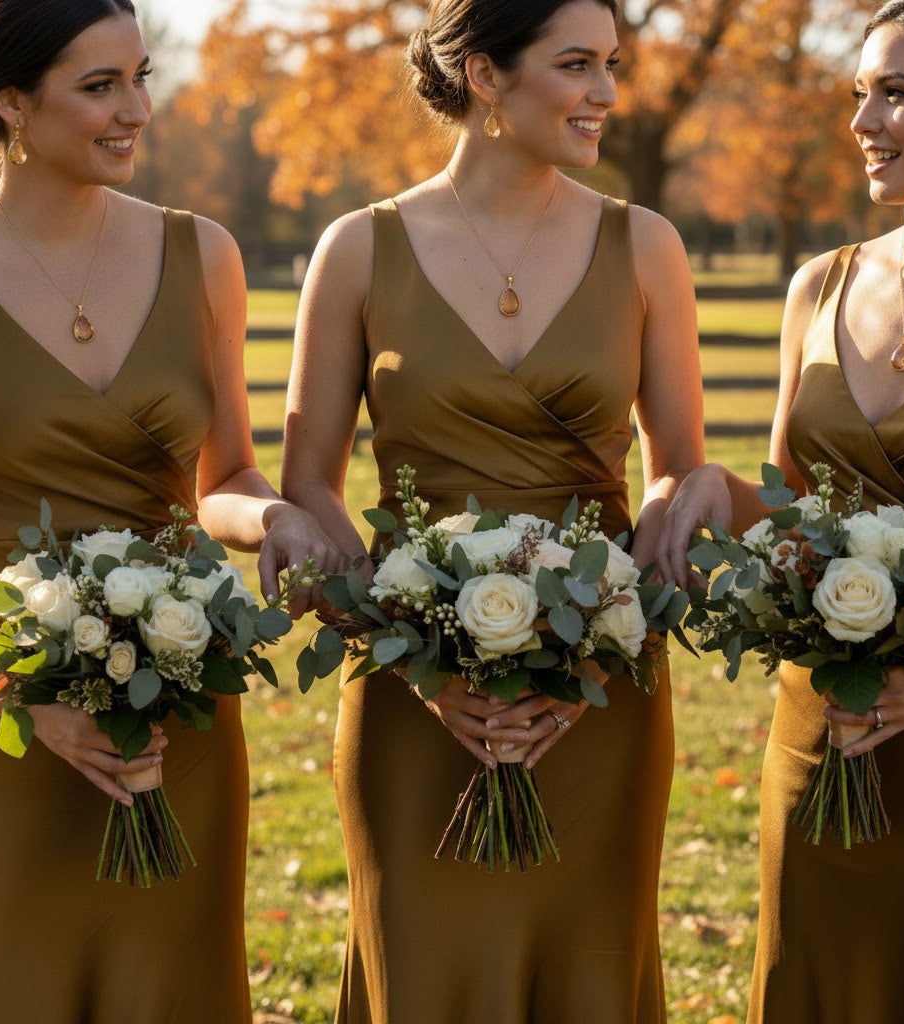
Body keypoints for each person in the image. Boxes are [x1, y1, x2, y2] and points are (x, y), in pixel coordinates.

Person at [273, 0, 705, 1018]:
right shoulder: (356, 249)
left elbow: (678, 466)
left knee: (589, 970)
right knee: (422, 970)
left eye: (611, 62)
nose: (607, 92)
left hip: (597, 695)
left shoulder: (645, 245)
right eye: (576, 64)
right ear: (484, 75)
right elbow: (310, 488)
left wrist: (617, 615)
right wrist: (409, 653)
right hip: (412, 696)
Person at [660, 1, 904, 1020]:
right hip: (822, 733)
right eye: (858, 92)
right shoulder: (820, 286)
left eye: (895, 93)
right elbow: (789, 514)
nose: (862, 120)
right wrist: (701, 490)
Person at [0, 2, 324, 1021]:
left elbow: (222, 475)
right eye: (99, 87)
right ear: (9, 101)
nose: (138, 108)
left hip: (175, 708)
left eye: (140, 77)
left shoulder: (202, 254)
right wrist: (19, 691)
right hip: (7, 715)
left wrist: (271, 521)